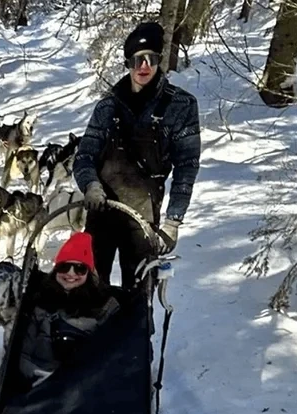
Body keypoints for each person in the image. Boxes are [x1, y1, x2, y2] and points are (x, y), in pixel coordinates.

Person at [73, 21, 201, 292]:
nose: (144, 66)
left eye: (151, 59)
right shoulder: (108, 106)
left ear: (159, 60)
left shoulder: (181, 106)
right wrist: (90, 185)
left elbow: (186, 168)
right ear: (128, 63)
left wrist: (173, 220)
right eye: (136, 60)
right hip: (101, 213)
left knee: (139, 298)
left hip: (143, 221)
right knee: (90, 291)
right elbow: (84, 155)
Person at [19, 232, 122, 385]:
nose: (71, 274)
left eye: (80, 268)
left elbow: (113, 355)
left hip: (85, 387)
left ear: (89, 272)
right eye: (64, 267)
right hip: (41, 384)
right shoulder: (40, 302)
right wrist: (37, 375)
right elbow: (23, 353)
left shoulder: (104, 305)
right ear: (56, 269)